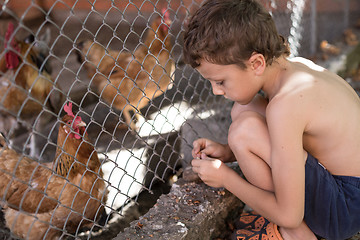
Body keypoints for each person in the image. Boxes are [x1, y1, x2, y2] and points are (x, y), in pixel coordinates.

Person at [182, 0, 360, 239]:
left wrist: (226, 178)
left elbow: (290, 215)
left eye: (221, 81)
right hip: (349, 191)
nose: (215, 91)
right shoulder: (296, 68)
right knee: (243, 112)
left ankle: (298, 235)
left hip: (346, 209)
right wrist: (228, 152)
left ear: (256, 63)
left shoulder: (285, 105)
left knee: (244, 131)